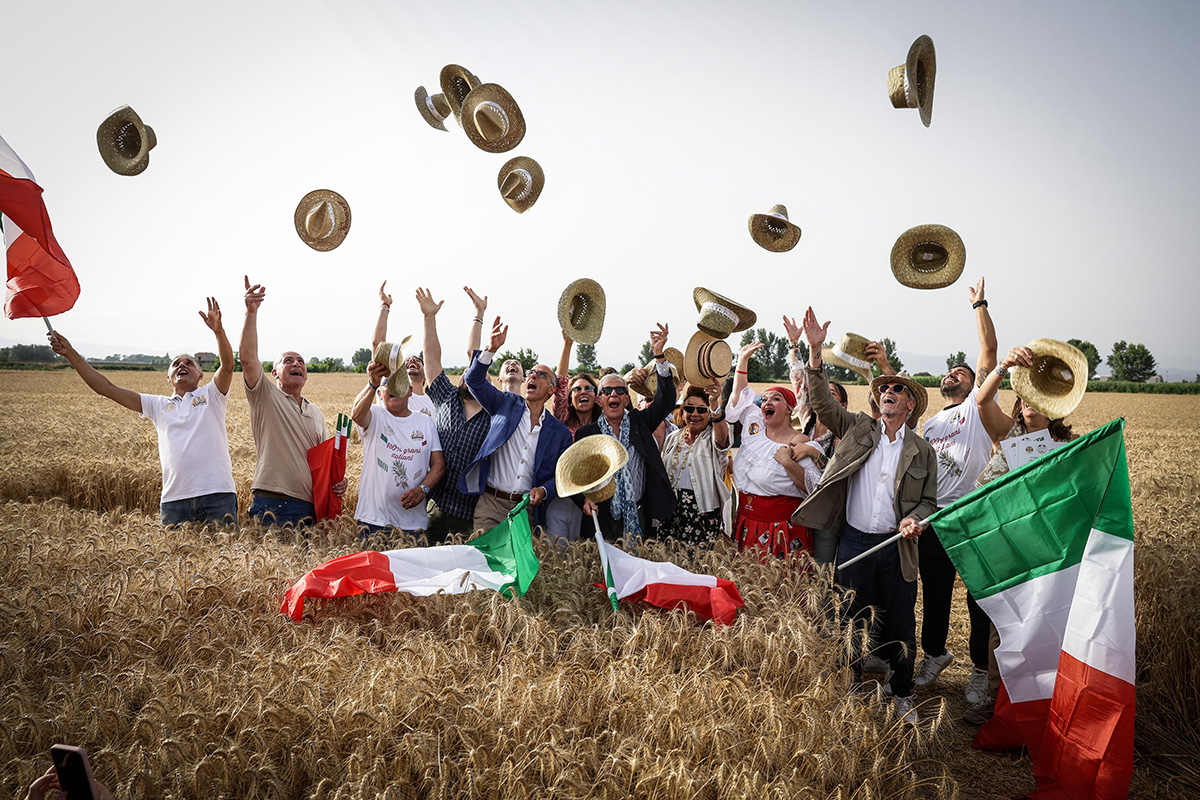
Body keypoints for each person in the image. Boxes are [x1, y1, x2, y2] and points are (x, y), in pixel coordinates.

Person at [793, 306, 938, 725]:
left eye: (897, 389)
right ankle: (850, 686)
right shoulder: (857, 428)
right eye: (884, 388)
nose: (888, 392)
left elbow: (929, 500)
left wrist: (917, 520)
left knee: (900, 622)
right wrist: (815, 353)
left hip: (897, 547)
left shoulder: (922, 450)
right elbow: (821, 402)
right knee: (850, 618)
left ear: (910, 404)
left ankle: (902, 691)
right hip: (854, 540)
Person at [960, 344, 1080, 725]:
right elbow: (981, 401)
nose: (1030, 403)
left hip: (1048, 553)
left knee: (1047, 629)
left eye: (1039, 398)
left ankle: (1046, 707)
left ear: (1055, 406)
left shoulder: (1070, 449)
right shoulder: (1006, 436)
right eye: (1025, 397)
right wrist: (1005, 364)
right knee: (1004, 628)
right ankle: (1000, 706)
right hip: (1005, 548)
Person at [47, 298, 238, 527]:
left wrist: (219, 331)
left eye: (189, 363)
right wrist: (70, 354)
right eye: (176, 363)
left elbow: (227, 366)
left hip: (217, 495)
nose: (182, 365)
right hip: (175, 500)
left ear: (200, 375)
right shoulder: (157, 405)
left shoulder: (212, 395)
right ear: (168, 377)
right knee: (174, 562)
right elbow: (105, 388)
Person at [915, 277, 999, 701]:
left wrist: (979, 304)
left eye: (962, 372)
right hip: (935, 519)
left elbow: (987, 354)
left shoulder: (976, 409)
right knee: (935, 592)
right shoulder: (930, 424)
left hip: (973, 516)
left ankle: (981, 671)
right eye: (951, 370)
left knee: (980, 599)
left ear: (973, 386)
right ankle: (934, 654)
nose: (954, 372)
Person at [239, 275, 346, 526]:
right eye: (288, 361)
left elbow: (324, 464)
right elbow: (247, 358)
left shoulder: (315, 413)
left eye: (301, 361)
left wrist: (339, 482)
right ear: (274, 373)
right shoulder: (265, 395)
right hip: (272, 502)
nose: (296, 363)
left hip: (310, 505)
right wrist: (250, 313)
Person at [461, 316, 573, 532]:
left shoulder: (559, 432)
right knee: (480, 562)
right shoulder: (505, 404)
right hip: (490, 505)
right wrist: (491, 349)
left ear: (551, 389)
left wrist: (544, 490)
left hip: (525, 510)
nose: (533, 376)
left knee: (518, 566)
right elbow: (474, 381)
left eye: (541, 375)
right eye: (531, 373)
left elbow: (562, 473)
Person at [574, 323, 677, 541]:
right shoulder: (587, 434)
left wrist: (659, 356)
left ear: (627, 399)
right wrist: (583, 500)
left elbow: (666, 400)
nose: (614, 394)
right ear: (600, 401)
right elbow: (573, 476)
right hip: (600, 516)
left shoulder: (640, 422)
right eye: (607, 391)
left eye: (620, 390)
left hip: (638, 513)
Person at [725, 340, 823, 558]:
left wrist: (788, 462)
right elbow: (739, 396)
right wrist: (742, 361)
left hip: (781, 529)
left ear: (789, 410)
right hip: (746, 521)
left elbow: (814, 488)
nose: (766, 402)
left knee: (780, 585)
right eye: (765, 399)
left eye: (776, 399)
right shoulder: (754, 430)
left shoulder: (799, 442)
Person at [417, 286, 493, 541]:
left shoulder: (495, 416)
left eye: (477, 374)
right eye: (467, 371)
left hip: (471, 514)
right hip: (434, 505)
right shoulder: (446, 396)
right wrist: (429, 318)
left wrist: (479, 314)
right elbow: (432, 357)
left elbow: (476, 354)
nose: (469, 376)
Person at [350, 356, 445, 542]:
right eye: (387, 383)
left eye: (399, 382)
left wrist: (423, 489)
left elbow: (438, 464)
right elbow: (357, 415)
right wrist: (372, 384)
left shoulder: (425, 422)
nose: (393, 387)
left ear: (410, 391)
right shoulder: (375, 415)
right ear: (380, 392)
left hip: (413, 525)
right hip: (373, 521)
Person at [658, 384, 730, 548]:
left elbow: (722, 439)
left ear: (709, 414)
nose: (695, 414)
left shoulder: (713, 437)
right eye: (689, 408)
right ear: (682, 412)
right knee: (668, 558)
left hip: (701, 512)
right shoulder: (673, 437)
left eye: (702, 410)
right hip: (670, 510)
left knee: (696, 564)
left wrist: (714, 404)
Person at [373, 281, 435, 418]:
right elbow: (378, 347)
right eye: (407, 360)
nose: (412, 360)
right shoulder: (388, 391)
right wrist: (385, 305)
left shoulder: (433, 403)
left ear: (426, 375)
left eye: (418, 361)